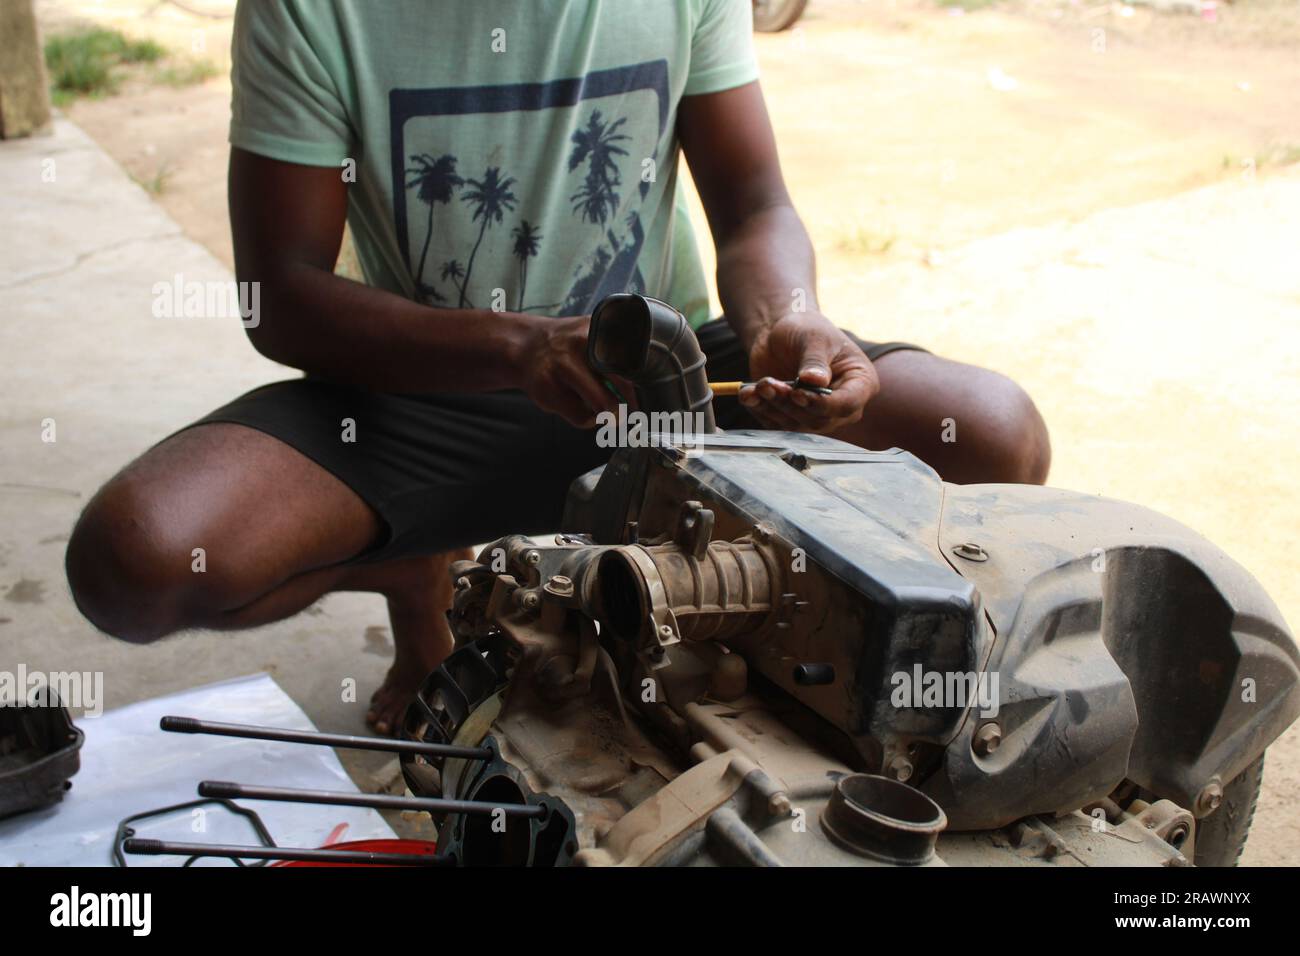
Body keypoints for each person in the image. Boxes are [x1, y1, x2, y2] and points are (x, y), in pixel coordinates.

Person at [65, 0, 1049, 734]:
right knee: (138, 560)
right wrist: (514, 347)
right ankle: (423, 581)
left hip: (667, 379)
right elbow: (277, 292)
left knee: (995, 433)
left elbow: (753, 207)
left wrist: (786, 320)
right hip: (433, 385)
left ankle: (712, 627)